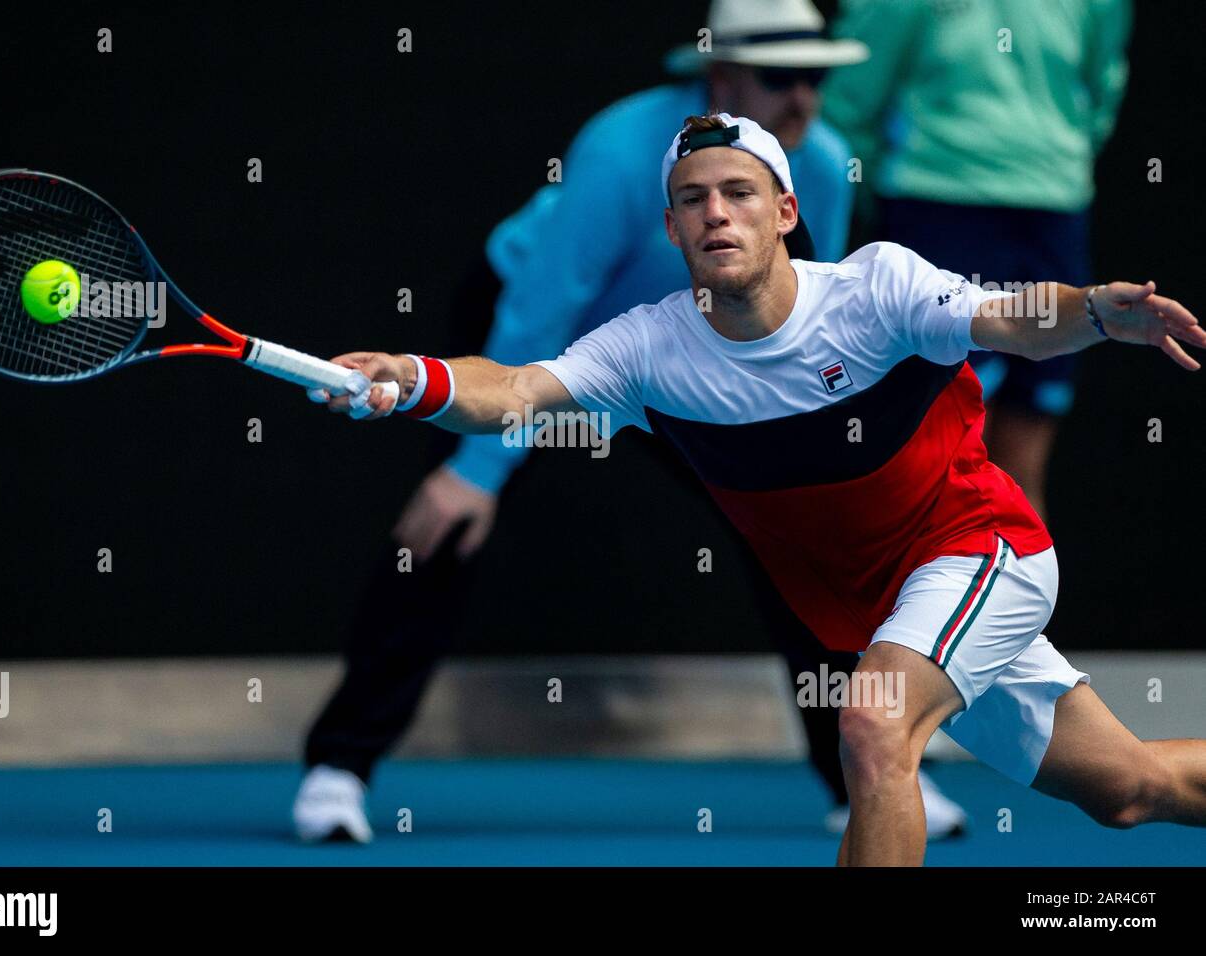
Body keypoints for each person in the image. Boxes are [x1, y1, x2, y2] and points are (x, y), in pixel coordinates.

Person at [314, 112, 1206, 866]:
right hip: (887, 611)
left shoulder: (874, 291)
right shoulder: (648, 349)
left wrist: (1092, 312)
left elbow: (1007, 317)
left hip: (979, 552)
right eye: (693, 200)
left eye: (739, 193)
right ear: (670, 229)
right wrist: (411, 377)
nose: (717, 215)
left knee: (872, 723)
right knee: (1130, 790)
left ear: (784, 210)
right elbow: (513, 391)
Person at [293, 0, 967, 844]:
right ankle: (339, 768)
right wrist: (473, 473)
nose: (803, 98)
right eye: (780, 77)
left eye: (817, 77)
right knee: (443, 524)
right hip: (548, 333)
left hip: (701, 354)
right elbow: (544, 308)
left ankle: (865, 774)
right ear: (721, 78)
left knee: (808, 537)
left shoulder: (821, 164)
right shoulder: (620, 150)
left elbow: (812, 313)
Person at [820, 0, 1133, 521]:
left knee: (1024, 454)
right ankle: (930, 596)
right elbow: (851, 99)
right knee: (943, 454)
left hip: (1048, 207)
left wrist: (1054, 161)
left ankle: (1013, 595)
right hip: (938, 208)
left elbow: (1103, 83)